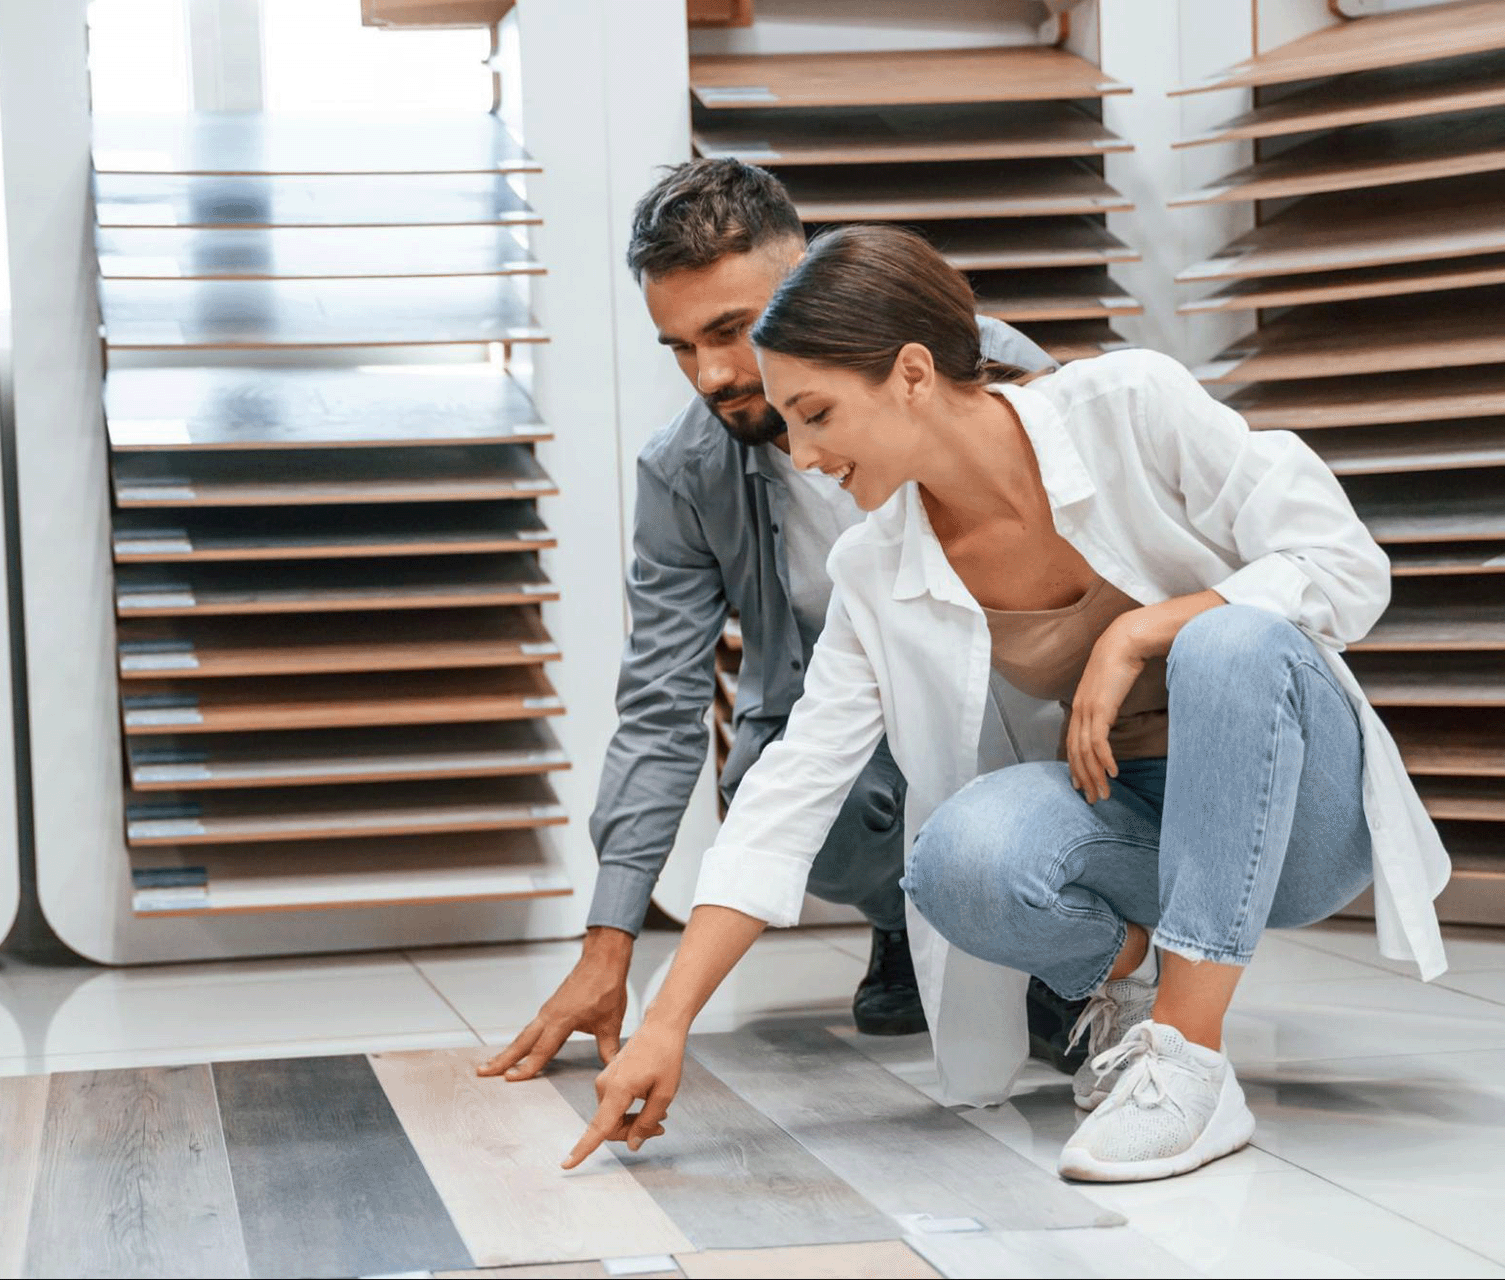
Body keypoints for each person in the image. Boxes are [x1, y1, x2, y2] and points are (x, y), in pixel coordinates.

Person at [561, 224, 1451, 1184]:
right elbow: (791, 790)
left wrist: (1140, 631)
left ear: (910, 374)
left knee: (1229, 641)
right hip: (1141, 826)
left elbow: (1346, 564)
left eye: (817, 416)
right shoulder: (874, 564)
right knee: (955, 862)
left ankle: (1189, 1070)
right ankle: (1138, 985)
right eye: (791, 426)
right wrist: (666, 1022)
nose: (807, 457)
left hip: (1299, 825)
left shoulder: (1130, 404)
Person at [477, 161, 1053, 1082]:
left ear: (808, 281)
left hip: (1022, 702)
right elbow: (661, 709)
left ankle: (1061, 941)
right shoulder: (684, 473)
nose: (708, 374)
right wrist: (609, 943)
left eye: (732, 330)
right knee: (776, 792)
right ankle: (911, 921)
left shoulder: (975, 364)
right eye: (677, 346)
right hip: (853, 740)